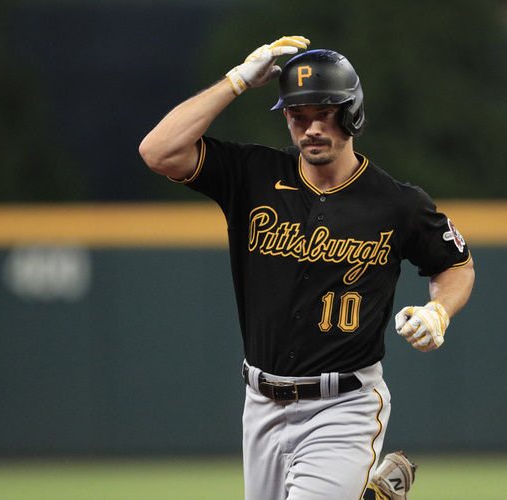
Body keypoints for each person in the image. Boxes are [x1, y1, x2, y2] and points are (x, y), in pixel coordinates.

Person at [139, 35, 475, 500]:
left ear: (352, 114)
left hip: (343, 405)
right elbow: (158, 152)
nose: (311, 127)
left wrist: (440, 310)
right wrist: (236, 82)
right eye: (298, 115)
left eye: (325, 113)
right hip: (260, 402)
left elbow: (456, 266)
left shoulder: (398, 204)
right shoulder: (252, 175)